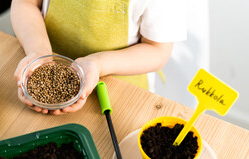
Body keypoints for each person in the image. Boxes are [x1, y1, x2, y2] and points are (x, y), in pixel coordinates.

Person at [11, 0, 187, 115]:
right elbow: (25, 4)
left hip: (120, 89)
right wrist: (39, 52)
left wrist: (98, 64)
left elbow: (157, 50)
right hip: (47, 57)